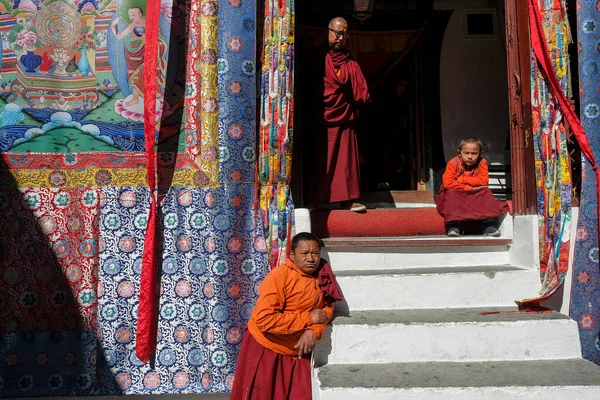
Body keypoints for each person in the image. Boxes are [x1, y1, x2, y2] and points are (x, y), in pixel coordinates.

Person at [231, 232, 343, 399]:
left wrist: (314, 330)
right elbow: (264, 320)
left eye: (315, 253)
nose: (311, 258)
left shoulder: (322, 273)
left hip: (297, 350)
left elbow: (327, 307)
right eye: (304, 253)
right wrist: (308, 318)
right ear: (292, 255)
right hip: (266, 346)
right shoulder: (279, 277)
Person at [304, 17, 370, 213]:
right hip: (322, 118)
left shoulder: (351, 63)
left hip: (345, 119)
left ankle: (349, 200)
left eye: (344, 34)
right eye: (337, 33)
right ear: (328, 32)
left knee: (346, 160)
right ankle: (317, 199)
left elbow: (362, 93)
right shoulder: (317, 59)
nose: (340, 38)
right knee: (322, 160)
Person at [436, 137, 509, 237]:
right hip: (457, 193)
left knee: (485, 192)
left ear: (480, 154)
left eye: (474, 153)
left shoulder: (482, 162)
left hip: (473, 192)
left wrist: (462, 179)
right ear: (459, 153)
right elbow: (448, 183)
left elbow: (483, 181)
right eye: (466, 153)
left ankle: (487, 225)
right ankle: (454, 226)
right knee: (451, 192)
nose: (470, 157)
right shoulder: (452, 163)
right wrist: (468, 188)